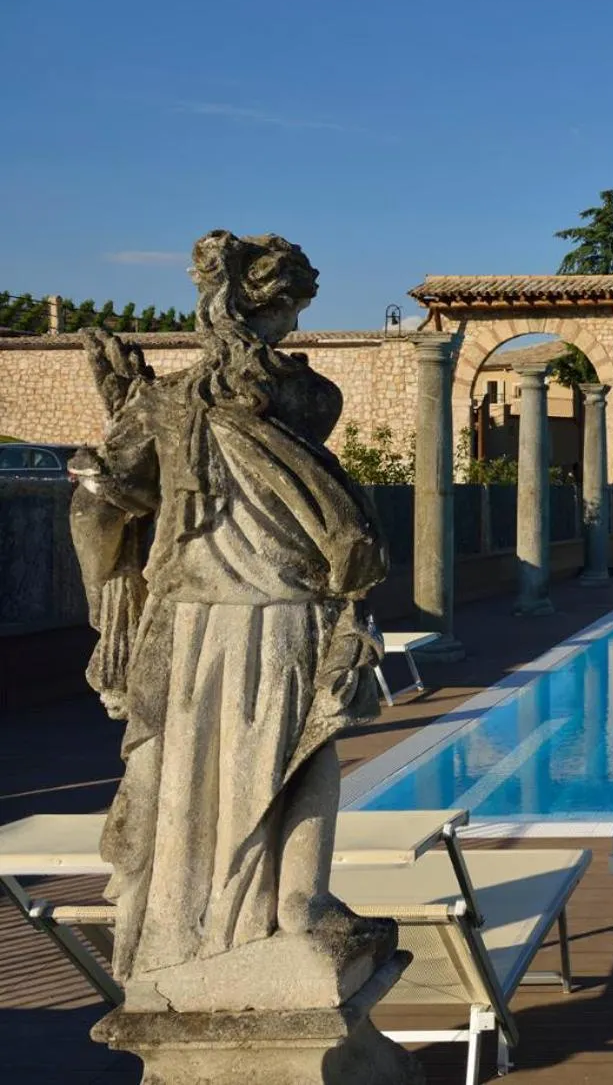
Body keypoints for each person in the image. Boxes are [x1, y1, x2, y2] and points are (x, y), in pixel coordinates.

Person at [69, 230, 387, 981]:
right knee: (305, 754)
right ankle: (299, 904)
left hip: (190, 617)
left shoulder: (165, 400)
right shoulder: (313, 396)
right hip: (291, 611)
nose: (299, 325)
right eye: (296, 309)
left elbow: (106, 510)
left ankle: (181, 925)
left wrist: (104, 591)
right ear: (277, 306)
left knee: (186, 774)